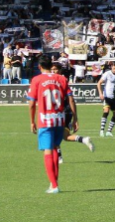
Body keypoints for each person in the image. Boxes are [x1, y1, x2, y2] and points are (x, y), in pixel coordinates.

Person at [27, 54, 72, 193]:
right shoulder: (61, 78)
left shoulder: (37, 80)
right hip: (59, 118)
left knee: (48, 150)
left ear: (39, 66)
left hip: (45, 119)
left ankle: (54, 185)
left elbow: (31, 103)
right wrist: (75, 118)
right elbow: (70, 98)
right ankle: (54, 183)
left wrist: (32, 121)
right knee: (55, 149)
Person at [46, 57, 94, 164]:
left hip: (60, 111)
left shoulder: (60, 81)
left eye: (55, 69)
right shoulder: (61, 80)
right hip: (64, 111)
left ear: (59, 70)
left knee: (53, 135)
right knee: (66, 137)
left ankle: (59, 158)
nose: (53, 71)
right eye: (52, 69)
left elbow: (71, 99)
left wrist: (75, 117)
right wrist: (75, 117)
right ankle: (84, 140)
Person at [98, 61, 115, 137]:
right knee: (106, 111)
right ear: (111, 67)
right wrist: (100, 93)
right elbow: (99, 83)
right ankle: (102, 130)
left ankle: (109, 131)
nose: (114, 70)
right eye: (113, 68)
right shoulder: (107, 74)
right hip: (107, 96)